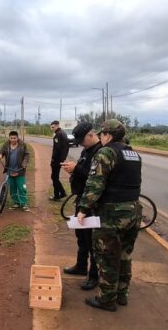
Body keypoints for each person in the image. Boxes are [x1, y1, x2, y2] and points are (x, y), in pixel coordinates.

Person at [76, 119, 142, 312]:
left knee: (107, 256)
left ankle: (107, 299)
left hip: (112, 214)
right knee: (124, 255)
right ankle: (122, 295)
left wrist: (83, 209)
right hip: (134, 211)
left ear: (108, 136)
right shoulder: (133, 154)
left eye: (102, 134)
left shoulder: (106, 152)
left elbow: (95, 184)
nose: (101, 137)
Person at [60, 122, 102, 289]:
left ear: (91, 135)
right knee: (81, 237)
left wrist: (76, 168)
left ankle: (93, 275)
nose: (80, 144)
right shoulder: (87, 150)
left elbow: (95, 180)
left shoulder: (100, 153)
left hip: (91, 204)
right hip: (81, 200)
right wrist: (73, 170)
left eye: (82, 140)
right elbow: (83, 171)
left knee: (92, 241)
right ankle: (81, 266)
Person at [0, 131, 30, 211]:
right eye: (11, 138)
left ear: (17, 138)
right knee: (12, 188)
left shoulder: (22, 145)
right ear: (9, 138)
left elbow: (27, 155)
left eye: (14, 138)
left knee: (22, 188)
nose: (13, 140)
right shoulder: (6, 145)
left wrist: (24, 163)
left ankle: (24, 204)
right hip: (10, 170)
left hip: (20, 170)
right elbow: (1, 152)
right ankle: (16, 203)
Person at [49, 120, 70, 201]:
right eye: (51, 127)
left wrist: (53, 159)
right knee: (55, 177)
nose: (52, 129)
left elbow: (57, 149)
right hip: (61, 159)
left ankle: (57, 195)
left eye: (53, 127)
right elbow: (66, 148)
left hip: (57, 160)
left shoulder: (58, 135)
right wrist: (63, 158)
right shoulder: (64, 133)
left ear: (57, 126)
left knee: (54, 177)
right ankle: (60, 193)